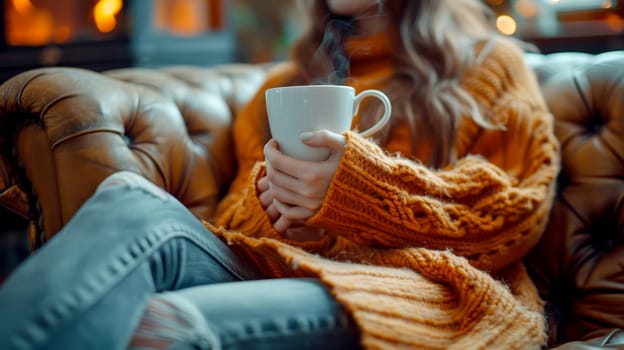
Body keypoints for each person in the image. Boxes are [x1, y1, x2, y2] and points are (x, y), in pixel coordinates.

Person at [0, 0, 560, 349]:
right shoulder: (287, 85)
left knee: (159, 320)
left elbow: (518, 212)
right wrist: (286, 206)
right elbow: (240, 216)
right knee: (125, 193)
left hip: (427, 290)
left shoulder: (488, 65)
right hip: (282, 265)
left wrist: (359, 191)